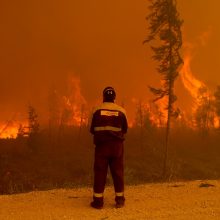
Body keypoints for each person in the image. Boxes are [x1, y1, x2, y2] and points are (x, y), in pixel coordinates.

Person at [90, 86, 128, 209]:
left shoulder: (97, 110)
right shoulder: (121, 111)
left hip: (102, 147)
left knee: (100, 173)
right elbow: (125, 129)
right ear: (114, 98)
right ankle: (120, 200)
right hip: (117, 148)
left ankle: (98, 202)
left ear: (103, 97)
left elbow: (92, 130)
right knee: (118, 173)